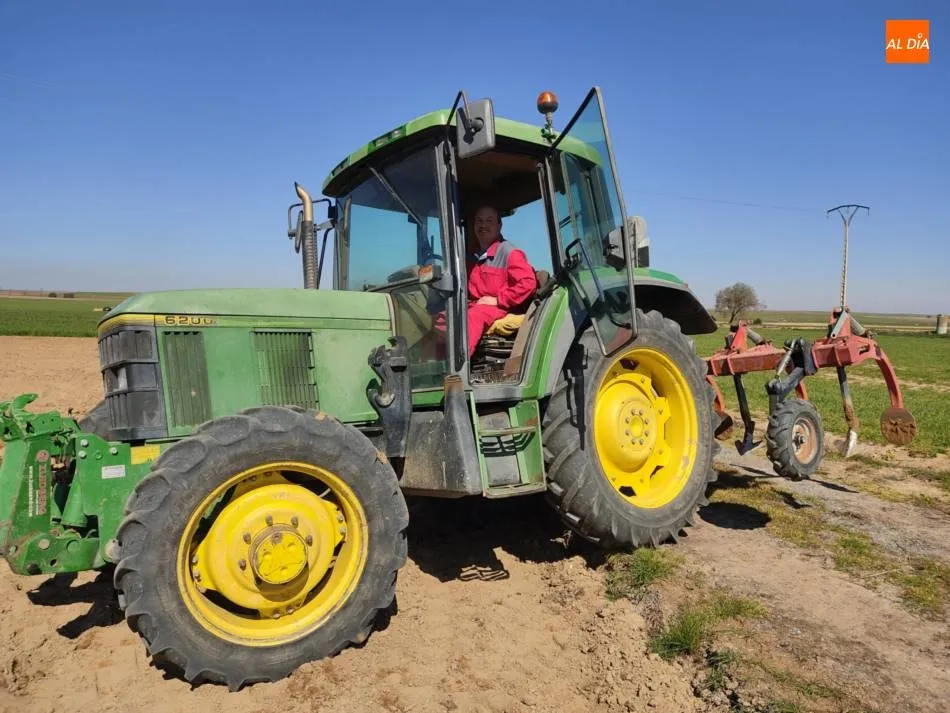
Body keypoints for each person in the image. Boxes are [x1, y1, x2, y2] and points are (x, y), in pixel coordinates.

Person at [463, 204, 537, 357]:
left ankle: (458, 367)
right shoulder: (472, 257)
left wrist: (498, 300)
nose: (483, 225)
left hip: (500, 307)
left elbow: (528, 284)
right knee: (443, 317)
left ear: (499, 226)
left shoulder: (510, 253)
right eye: (479, 221)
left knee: (472, 317)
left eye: (489, 221)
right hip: (476, 305)